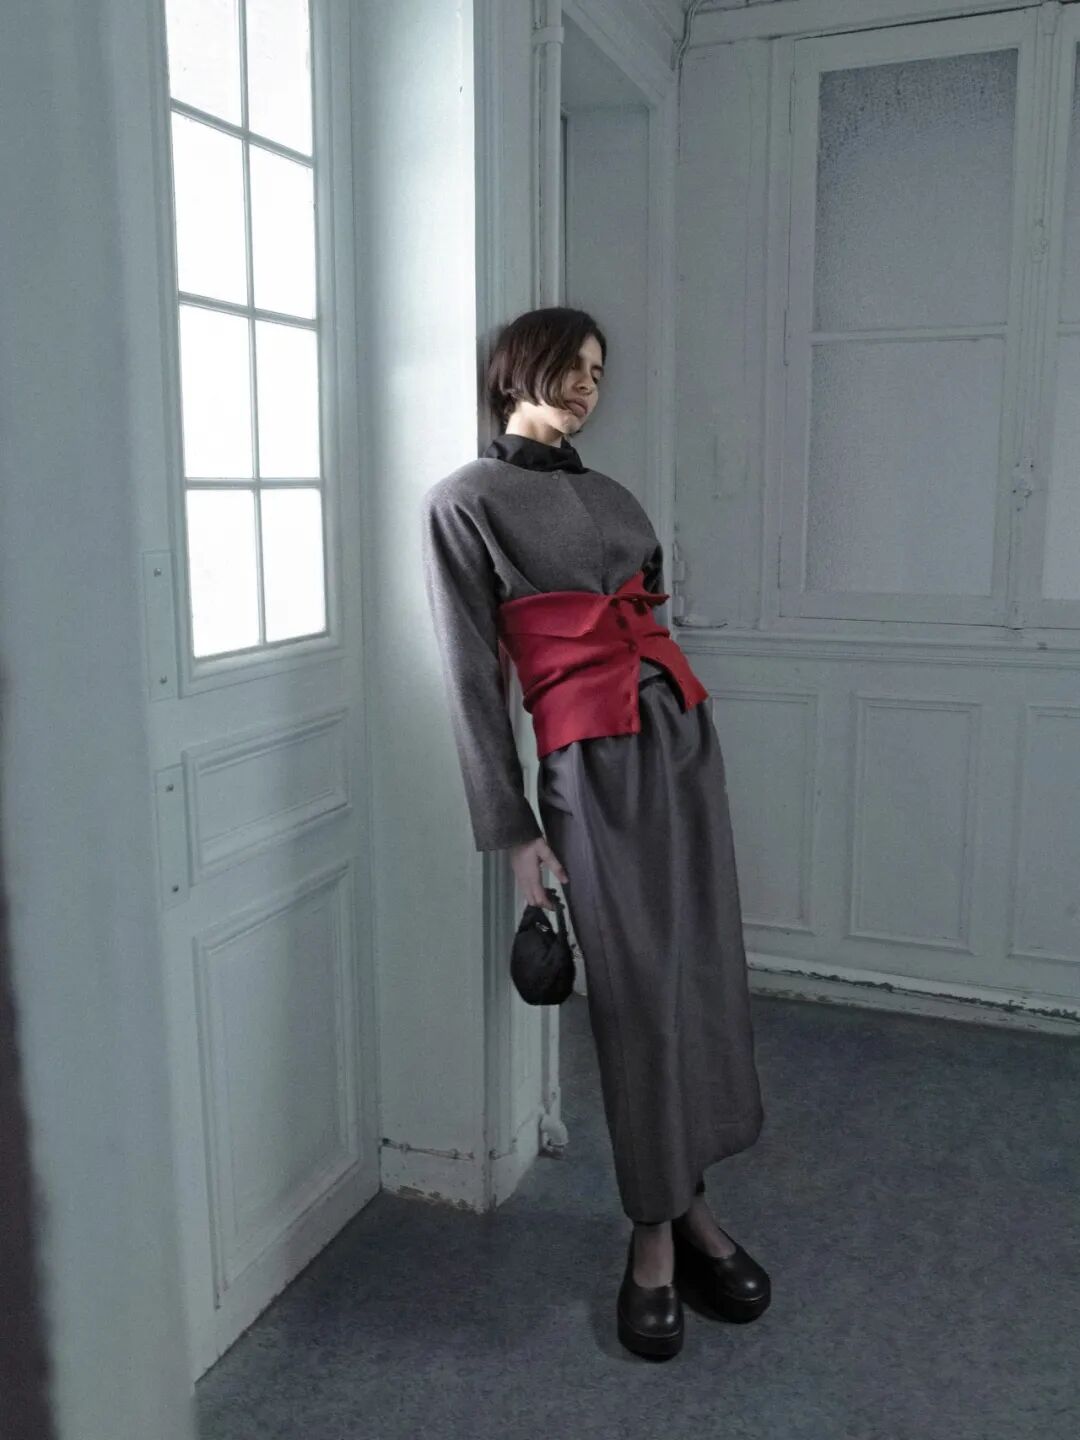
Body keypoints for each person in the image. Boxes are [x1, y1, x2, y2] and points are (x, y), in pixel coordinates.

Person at [420, 306, 769, 1360]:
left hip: (683, 741)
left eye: (599, 372)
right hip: (588, 764)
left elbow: (652, 616)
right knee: (635, 994)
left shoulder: (615, 495)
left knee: (698, 974)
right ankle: (656, 1235)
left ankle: (689, 1207)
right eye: (570, 366)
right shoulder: (464, 502)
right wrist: (515, 829)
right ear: (514, 370)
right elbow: (470, 679)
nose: (586, 386)